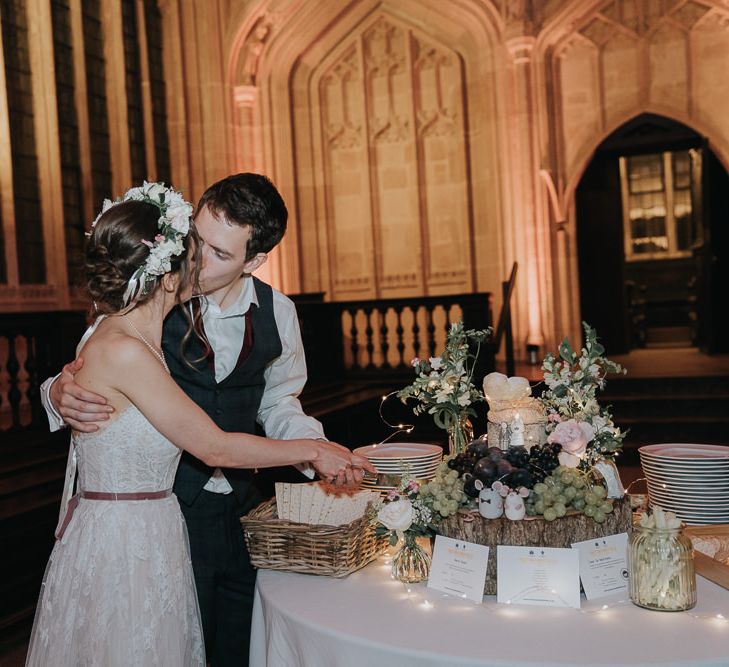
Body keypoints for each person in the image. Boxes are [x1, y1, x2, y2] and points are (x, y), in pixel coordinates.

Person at [28, 183, 370, 666]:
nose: (198, 260)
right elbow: (87, 366)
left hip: (244, 508)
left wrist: (316, 448)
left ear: (253, 261)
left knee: (239, 643)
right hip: (165, 515)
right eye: (196, 241)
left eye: (219, 252)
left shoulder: (279, 313)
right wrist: (55, 394)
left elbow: (278, 404)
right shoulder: (150, 297)